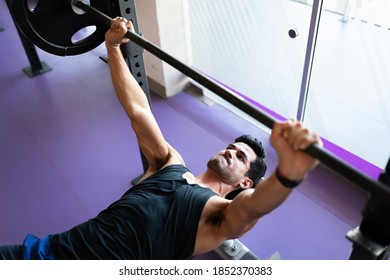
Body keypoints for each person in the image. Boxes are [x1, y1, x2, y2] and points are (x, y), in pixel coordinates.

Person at [0, 17, 322, 260]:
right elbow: (138, 110)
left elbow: (251, 210)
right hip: (48, 252)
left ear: (244, 184)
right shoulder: (170, 163)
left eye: (240, 158)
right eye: (232, 147)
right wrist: (112, 48)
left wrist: (290, 173)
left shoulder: (217, 215)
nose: (230, 152)